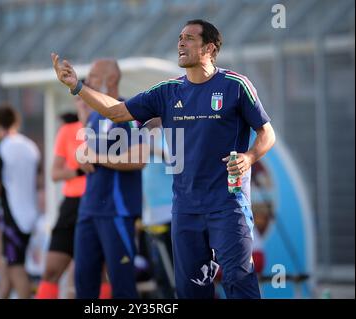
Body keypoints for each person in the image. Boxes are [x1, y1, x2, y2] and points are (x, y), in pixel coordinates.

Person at [51, 19, 276, 299]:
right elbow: (118, 111)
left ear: (209, 47)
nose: (181, 42)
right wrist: (77, 87)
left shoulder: (235, 85)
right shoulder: (167, 91)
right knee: (190, 289)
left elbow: (267, 133)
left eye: (189, 38)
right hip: (185, 207)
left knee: (238, 281)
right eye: (180, 37)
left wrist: (250, 156)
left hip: (228, 204)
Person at [71, 59, 148, 299]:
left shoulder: (130, 112)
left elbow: (141, 158)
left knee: (122, 285)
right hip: (89, 209)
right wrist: (82, 153)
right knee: (83, 283)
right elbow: (90, 156)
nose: (89, 81)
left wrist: (96, 155)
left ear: (111, 80)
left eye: (93, 76)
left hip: (117, 211)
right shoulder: (95, 117)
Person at [0, 104, 40, 298]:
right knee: (6, 268)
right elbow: (37, 181)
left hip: (13, 218)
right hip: (31, 214)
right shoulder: (31, 146)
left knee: (15, 268)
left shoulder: (0, 149)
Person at [35, 108, 87, 299]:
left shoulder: (107, 126)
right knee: (51, 271)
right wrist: (80, 171)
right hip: (71, 205)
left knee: (98, 273)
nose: (83, 103)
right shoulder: (68, 130)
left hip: (99, 203)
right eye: (79, 99)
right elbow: (55, 173)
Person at [141, 117, 175, 298]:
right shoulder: (143, 138)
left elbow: (175, 161)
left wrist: (155, 150)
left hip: (170, 215)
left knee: (175, 271)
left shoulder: (170, 134)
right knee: (160, 274)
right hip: (151, 218)